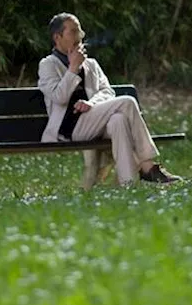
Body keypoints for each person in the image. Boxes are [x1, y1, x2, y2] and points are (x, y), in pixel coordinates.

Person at [38, 12, 180, 185]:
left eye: (80, 31)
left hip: (94, 121)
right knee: (127, 102)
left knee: (118, 121)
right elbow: (59, 97)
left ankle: (127, 184)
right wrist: (73, 68)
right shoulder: (47, 65)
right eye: (73, 31)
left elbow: (107, 92)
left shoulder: (91, 64)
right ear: (57, 37)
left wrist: (91, 103)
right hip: (69, 128)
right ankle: (148, 166)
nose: (80, 36)